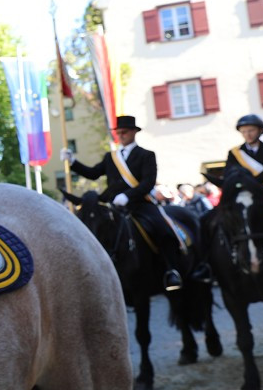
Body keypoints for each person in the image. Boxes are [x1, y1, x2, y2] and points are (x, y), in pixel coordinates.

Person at [62, 115, 184, 290]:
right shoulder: (111, 157)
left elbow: (148, 182)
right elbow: (93, 173)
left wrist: (128, 195)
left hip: (140, 204)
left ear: (134, 132)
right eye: (118, 132)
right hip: (114, 207)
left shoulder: (146, 155)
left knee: (163, 231)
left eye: (124, 132)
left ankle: (171, 270)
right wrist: (72, 161)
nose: (121, 135)